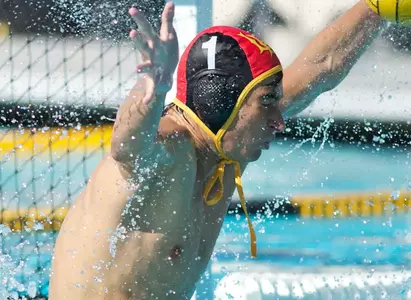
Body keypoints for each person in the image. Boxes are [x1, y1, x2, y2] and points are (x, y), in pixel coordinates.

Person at [49, 1, 385, 299]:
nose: (279, 121)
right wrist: (150, 92)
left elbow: (320, 66)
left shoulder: (226, 146)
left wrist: (378, 8)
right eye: (267, 101)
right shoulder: (170, 152)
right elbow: (127, 147)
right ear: (221, 102)